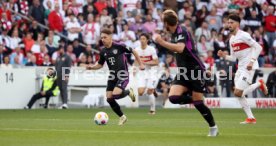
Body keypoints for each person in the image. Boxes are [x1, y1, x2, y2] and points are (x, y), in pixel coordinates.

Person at [152, 9, 218, 137]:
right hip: (183, 72)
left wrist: (161, 42)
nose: (162, 23)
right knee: (173, 98)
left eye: (162, 21)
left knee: (198, 103)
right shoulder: (173, 32)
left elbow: (180, 48)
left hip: (195, 70)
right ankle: (196, 100)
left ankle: (213, 127)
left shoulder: (182, 30)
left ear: (166, 22)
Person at [86, 28, 145, 125]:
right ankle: (122, 117)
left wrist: (141, 64)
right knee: (109, 98)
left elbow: (133, 51)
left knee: (116, 95)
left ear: (110, 37)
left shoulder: (119, 46)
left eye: (105, 37)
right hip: (112, 76)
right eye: (101, 38)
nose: (103, 39)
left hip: (123, 75)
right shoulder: (103, 51)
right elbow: (100, 65)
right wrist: (91, 68)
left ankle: (128, 92)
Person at [217, 14, 268, 124]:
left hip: (250, 67)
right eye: (228, 22)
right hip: (240, 68)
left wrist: (252, 61)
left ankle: (259, 83)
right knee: (238, 93)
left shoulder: (244, 35)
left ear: (238, 24)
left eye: (231, 22)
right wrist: (224, 56)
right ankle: (251, 118)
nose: (229, 24)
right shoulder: (231, 39)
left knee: (238, 92)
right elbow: (234, 58)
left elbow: (259, 47)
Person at [135, 33, 159, 115]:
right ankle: (152, 89)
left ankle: (152, 110)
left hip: (151, 72)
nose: (142, 40)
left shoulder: (151, 49)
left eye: (144, 39)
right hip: (141, 73)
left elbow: (156, 62)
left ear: (147, 40)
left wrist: (145, 62)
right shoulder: (137, 50)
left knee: (149, 92)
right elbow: (136, 61)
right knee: (140, 93)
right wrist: (134, 69)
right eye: (141, 39)